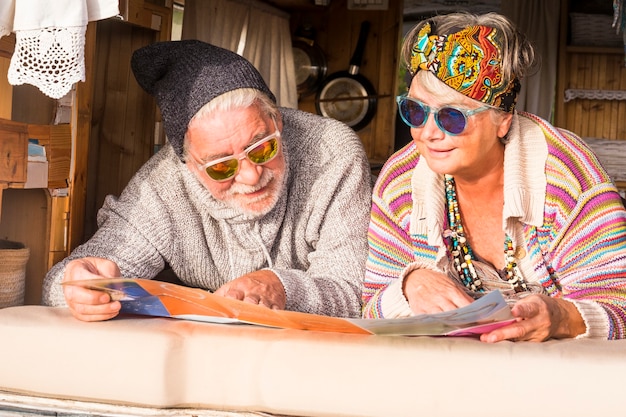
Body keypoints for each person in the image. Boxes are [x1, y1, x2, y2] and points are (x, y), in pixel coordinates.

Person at [42, 40, 372, 321]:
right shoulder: (162, 186)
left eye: (262, 148)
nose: (251, 175)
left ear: (278, 121)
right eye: (221, 167)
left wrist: (282, 288)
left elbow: (353, 292)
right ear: (188, 165)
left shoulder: (332, 152)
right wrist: (76, 287)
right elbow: (64, 279)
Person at [362, 12, 626, 342]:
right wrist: (409, 285)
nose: (427, 133)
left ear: (502, 121)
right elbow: (368, 308)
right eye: (415, 111)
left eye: (452, 117)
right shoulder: (400, 184)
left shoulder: (568, 178)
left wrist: (562, 317)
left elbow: (620, 307)